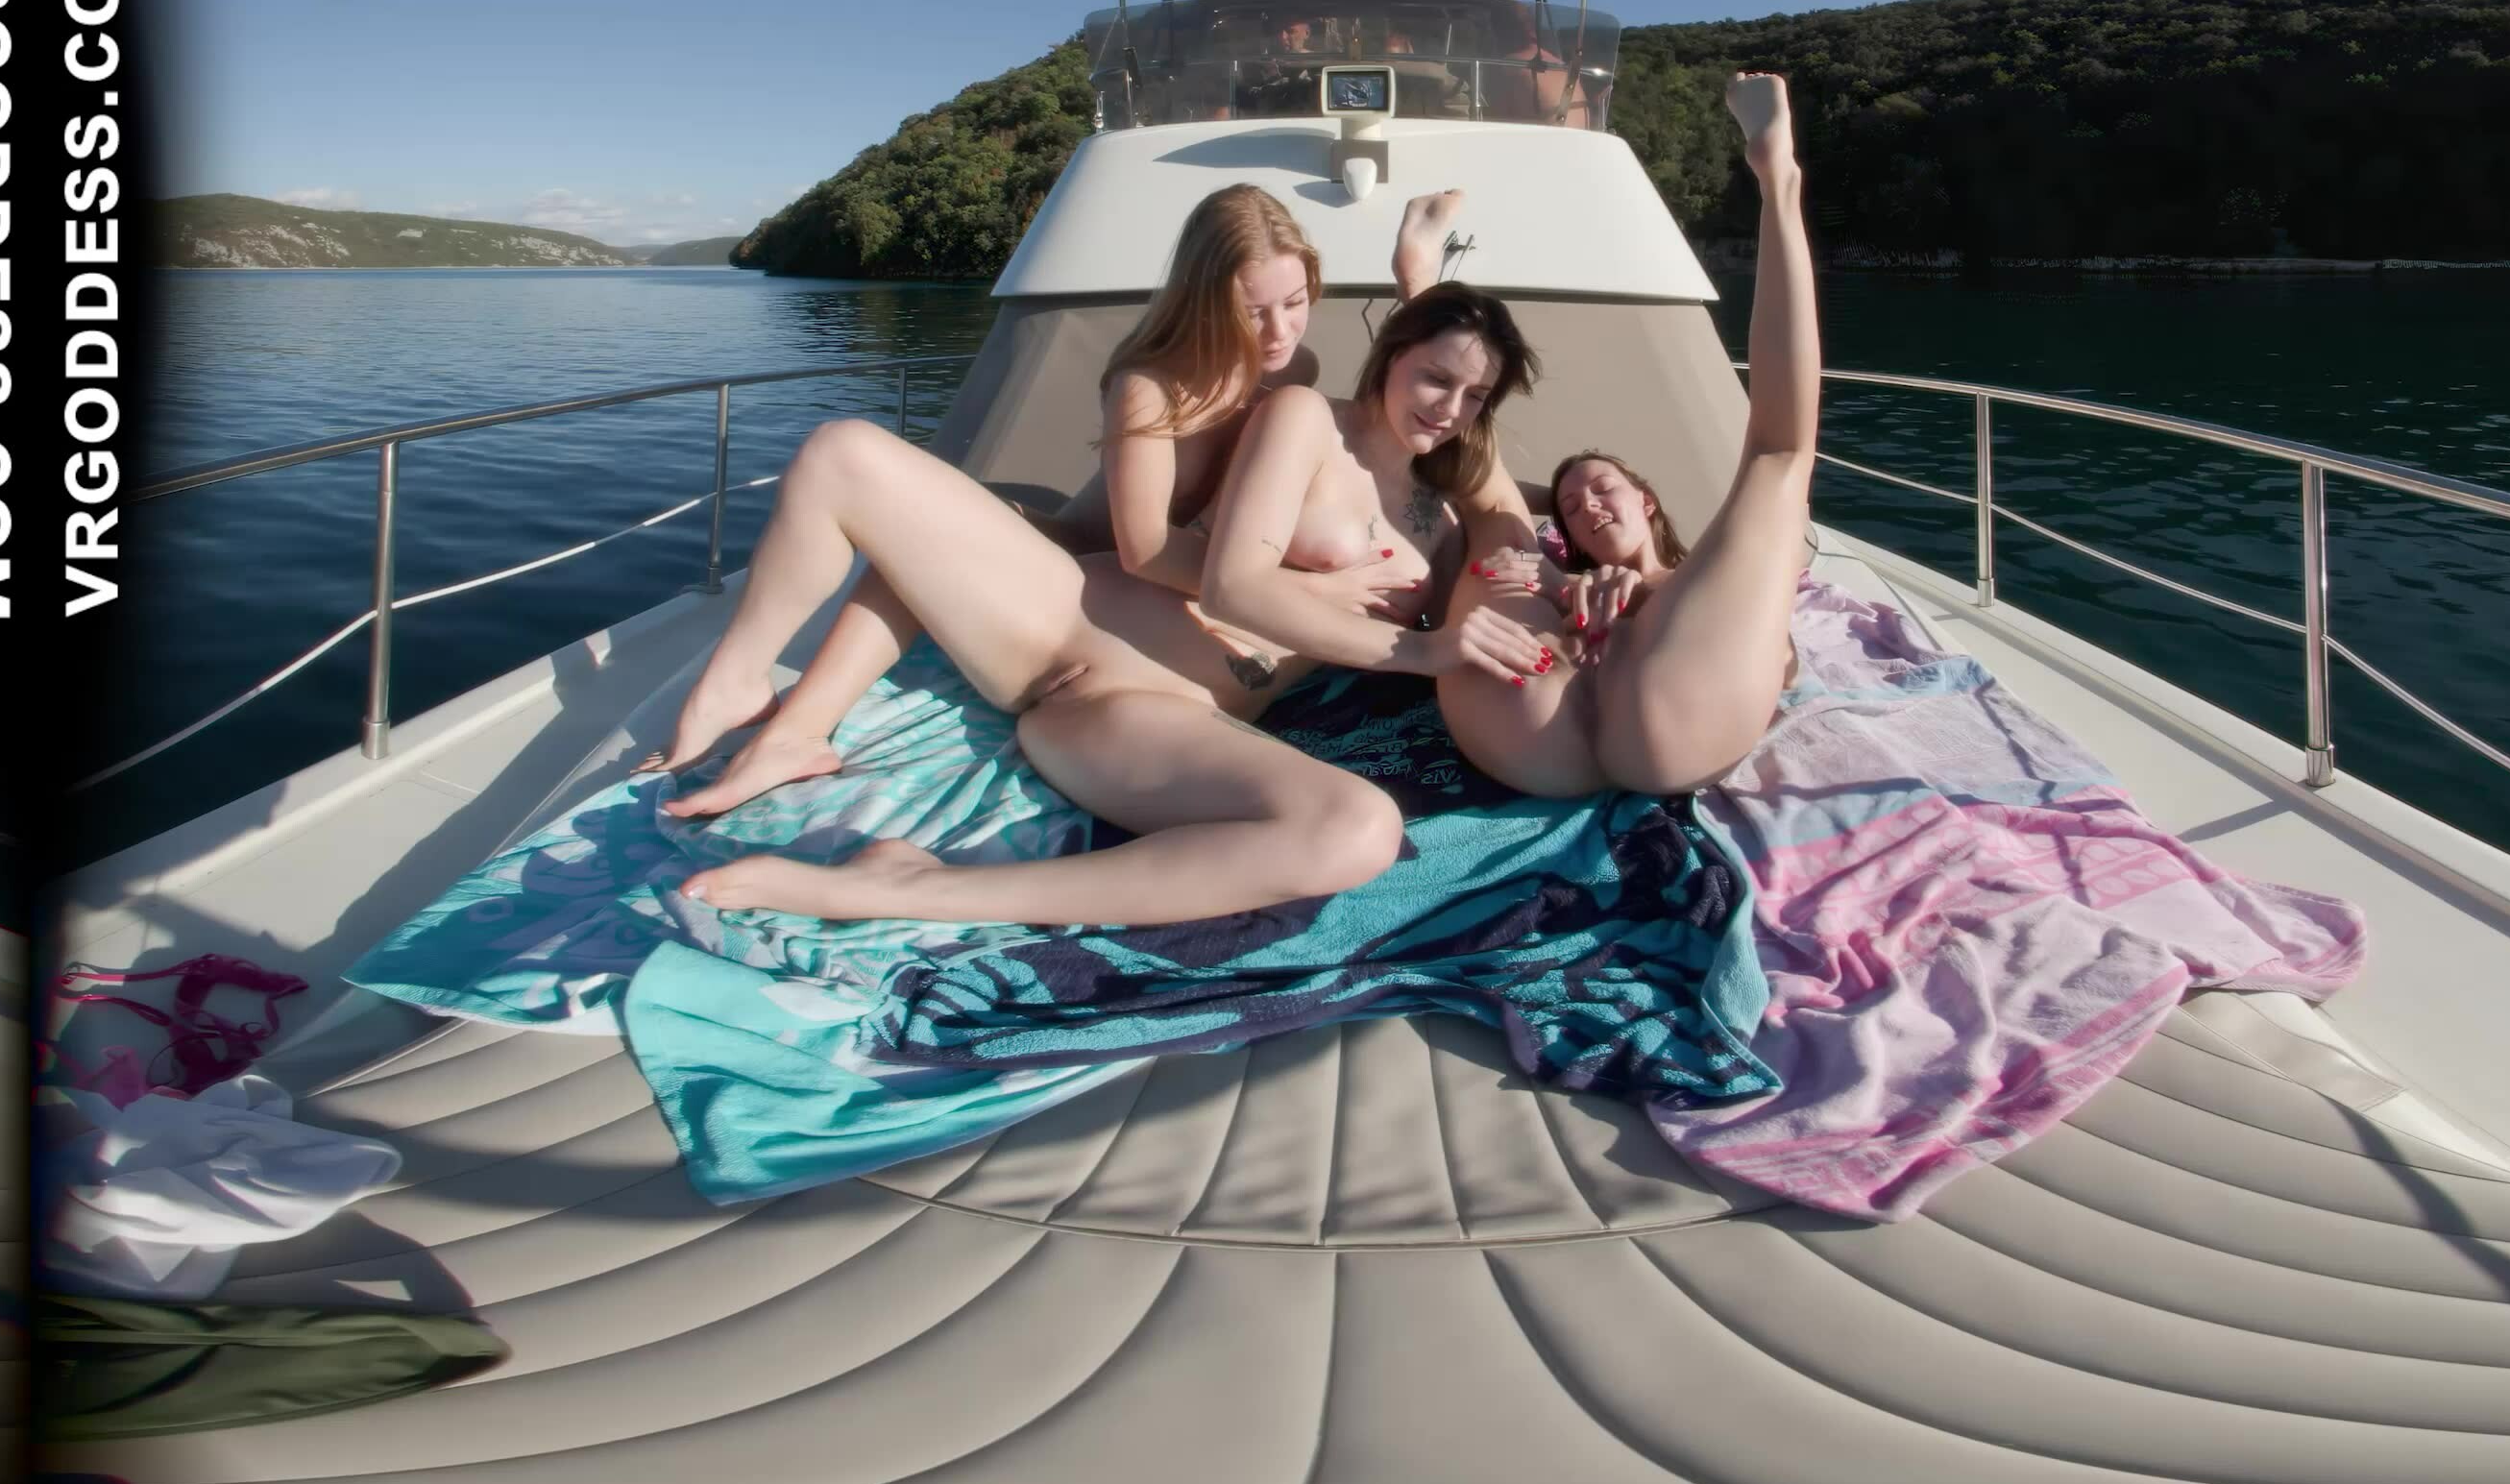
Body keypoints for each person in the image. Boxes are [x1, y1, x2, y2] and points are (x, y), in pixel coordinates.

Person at [652, 298, 1565, 928]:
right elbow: (1232, 585)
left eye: (1474, 397)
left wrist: (1587, 576)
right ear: (1391, 355)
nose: (1449, 409)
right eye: (1435, 378)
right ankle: (751, 703)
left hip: (1150, 712)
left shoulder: (1444, 518)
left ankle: (904, 887)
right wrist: (1419, 649)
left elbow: (1512, 545)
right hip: (1069, 615)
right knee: (844, 450)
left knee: (1359, 830)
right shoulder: (1308, 421)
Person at [652, 178, 1458, 820]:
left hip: (1130, 589)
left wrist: (1416, 277)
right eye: (1252, 312)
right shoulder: (1152, 386)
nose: (1280, 331)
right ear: (1206, 301)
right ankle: (746, 688)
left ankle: (792, 728)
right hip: (1087, 552)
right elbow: (1144, 550)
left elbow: (1412, 391)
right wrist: (1294, 590)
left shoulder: (1292, 370)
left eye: (1295, 302)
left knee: (888, 514)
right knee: (850, 468)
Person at [1417, 74, 1820, 796]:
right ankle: (1416, 283)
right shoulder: (1549, 570)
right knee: (1492, 510)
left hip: (1672, 711)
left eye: (1601, 487)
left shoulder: (1699, 579)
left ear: (1648, 500)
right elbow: (1487, 481)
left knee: (1777, 459)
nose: (1587, 505)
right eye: (1571, 508)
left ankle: (1777, 180)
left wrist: (1641, 592)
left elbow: (1779, 659)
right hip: (1536, 718)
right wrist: (1560, 580)